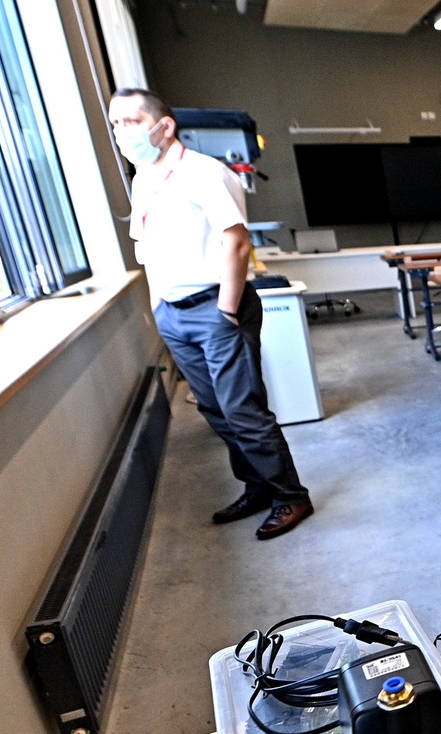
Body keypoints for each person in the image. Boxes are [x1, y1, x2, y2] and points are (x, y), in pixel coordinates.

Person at [108, 87, 313, 540]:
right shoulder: (143, 179)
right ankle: (258, 487)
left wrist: (226, 309)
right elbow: (149, 248)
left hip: (216, 307)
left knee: (243, 411)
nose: (121, 132)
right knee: (216, 410)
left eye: (131, 121)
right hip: (174, 313)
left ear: (164, 126)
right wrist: (158, 306)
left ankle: (290, 496)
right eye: (115, 123)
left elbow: (236, 243)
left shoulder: (204, 172)